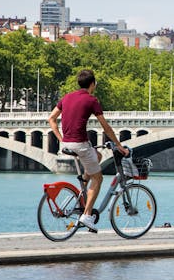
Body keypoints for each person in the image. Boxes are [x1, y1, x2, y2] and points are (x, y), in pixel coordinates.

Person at [48, 69, 129, 232]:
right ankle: (86, 215)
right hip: (80, 144)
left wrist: (61, 139)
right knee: (98, 179)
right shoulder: (92, 100)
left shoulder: (67, 97)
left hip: (67, 144)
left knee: (97, 155)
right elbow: (105, 127)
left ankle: (84, 184)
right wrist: (119, 145)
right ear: (92, 84)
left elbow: (51, 118)